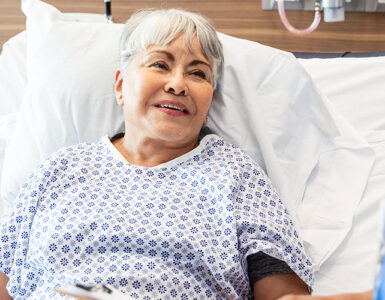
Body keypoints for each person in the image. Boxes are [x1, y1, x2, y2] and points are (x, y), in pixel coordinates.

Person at [0, 9, 314, 299]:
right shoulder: (60, 169)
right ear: (121, 86)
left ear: (210, 104)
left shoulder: (235, 175)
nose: (178, 84)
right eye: (160, 65)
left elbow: (282, 294)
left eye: (198, 74)